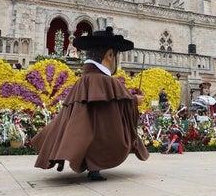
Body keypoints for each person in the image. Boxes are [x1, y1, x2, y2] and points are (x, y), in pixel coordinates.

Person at [31, 26, 149, 180]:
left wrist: (131, 101)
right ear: (109, 54)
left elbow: (108, 105)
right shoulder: (103, 80)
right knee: (99, 131)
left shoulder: (84, 79)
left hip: (88, 129)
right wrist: (134, 102)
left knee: (87, 132)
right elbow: (113, 109)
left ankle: (92, 165)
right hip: (97, 131)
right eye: (115, 56)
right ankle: (94, 166)